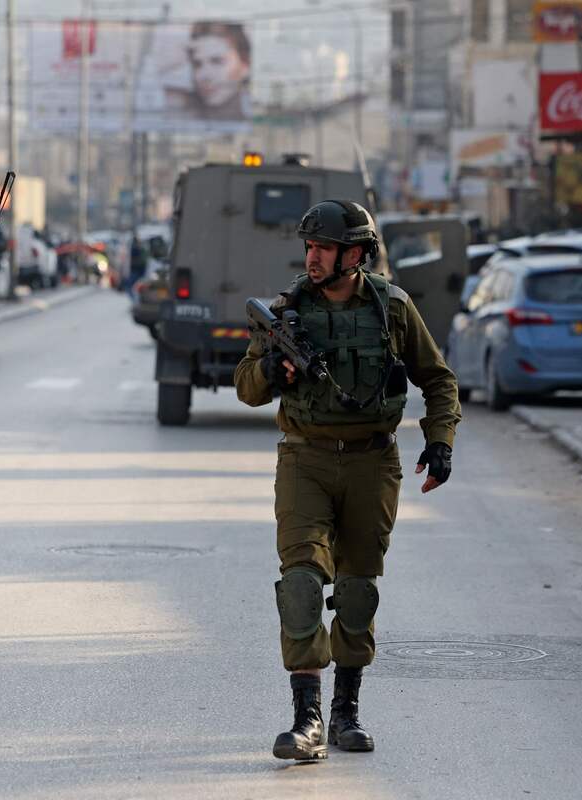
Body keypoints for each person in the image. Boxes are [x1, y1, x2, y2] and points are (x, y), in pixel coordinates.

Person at [234, 200, 460, 761]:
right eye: (308, 247)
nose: (312, 258)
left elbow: (439, 380)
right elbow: (245, 386)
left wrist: (440, 443)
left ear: (355, 254)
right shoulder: (286, 312)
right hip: (305, 459)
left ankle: (345, 714)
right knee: (304, 581)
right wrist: (270, 370)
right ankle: (305, 720)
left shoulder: (393, 309)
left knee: (357, 590)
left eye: (323, 248)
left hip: (372, 463)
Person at [167, 21, 250, 122]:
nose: (204, 76)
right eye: (197, 64)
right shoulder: (178, 106)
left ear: (244, 65)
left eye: (217, 61)